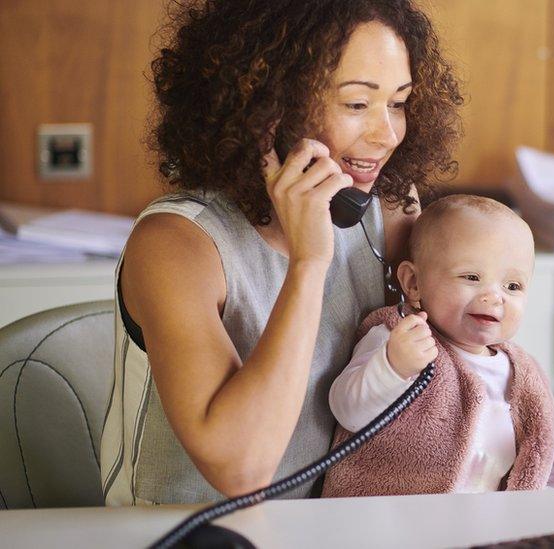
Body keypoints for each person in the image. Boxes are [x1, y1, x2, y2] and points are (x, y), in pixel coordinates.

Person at [99, 0, 462, 505]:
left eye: (398, 103)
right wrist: (310, 263)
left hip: (344, 527)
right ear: (269, 107)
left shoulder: (390, 210)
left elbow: (464, 369)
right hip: (191, 532)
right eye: (356, 104)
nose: (386, 135)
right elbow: (241, 469)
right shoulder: (176, 244)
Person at [324, 195, 554, 496]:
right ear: (413, 283)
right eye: (471, 277)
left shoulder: (519, 373)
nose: (494, 296)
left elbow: (538, 451)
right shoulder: (398, 338)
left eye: (513, 285)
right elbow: (348, 411)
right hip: (389, 527)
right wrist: (392, 368)